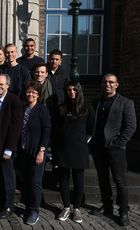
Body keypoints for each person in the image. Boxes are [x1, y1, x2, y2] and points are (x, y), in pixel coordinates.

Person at [89, 73, 136, 226]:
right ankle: (107, 206)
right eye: (104, 82)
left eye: (111, 82)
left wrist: (118, 142)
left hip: (116, 148)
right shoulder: (96, 102)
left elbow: (130, 126)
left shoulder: (126, 102)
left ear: (116, 85)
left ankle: (123, 210)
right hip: (98, 147)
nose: (107, 84)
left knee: (119, 180)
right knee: (102, 178)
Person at [55, 80, 94, 223]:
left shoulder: (87, 108)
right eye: (69, 90)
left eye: (74, 90)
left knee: (79, 180)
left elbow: (91, 129)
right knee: (63, 179)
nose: (72, 92)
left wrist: (83, 141)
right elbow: (56, 128)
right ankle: (66, 207)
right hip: (63, 149)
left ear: (79, 91)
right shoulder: (61, 108)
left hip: (79, 150)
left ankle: (76, 208)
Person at [0, 74, 22, 219]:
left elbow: (16, 127)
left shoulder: (14, 100)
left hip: (6, 143)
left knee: (8, 176)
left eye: (1, 84)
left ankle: (8, 206)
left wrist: (9, 148)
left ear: (8, 85)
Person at [19, 81, 51, 225]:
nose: (30, 94)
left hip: (37, 152)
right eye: (28, 92)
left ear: (38, 94)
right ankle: (27, 206)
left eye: (33, 92)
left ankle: (34, 210)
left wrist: (42, 150)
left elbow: (46, 131)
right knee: (26, 180)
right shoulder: (24, 108)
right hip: (24, 151)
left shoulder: (42, 109)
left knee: (35, 182)